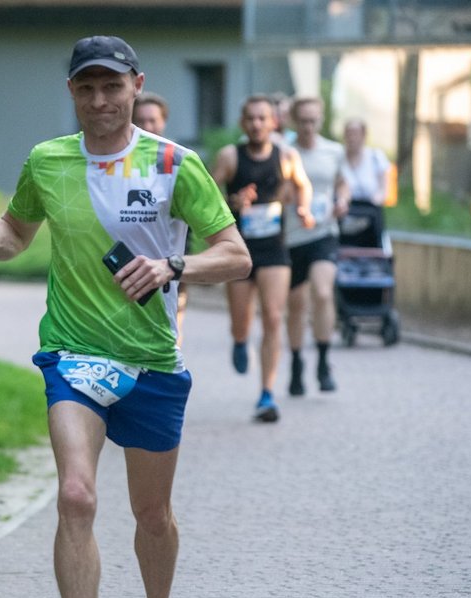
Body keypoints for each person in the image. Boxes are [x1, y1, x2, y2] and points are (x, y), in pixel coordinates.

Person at [0, 36, 250, 598]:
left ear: (136, 87)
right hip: (74, 354)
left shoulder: (176, 164)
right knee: (77, 496)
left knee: (153, 516)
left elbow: (235, 256)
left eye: (112, 87)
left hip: (151, 363)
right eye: (86, 88)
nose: (100, 101)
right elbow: (17, 231)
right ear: (72, 94)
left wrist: (175, 267)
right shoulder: (48, 161)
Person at [211, 94, 313, 422]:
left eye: (262, 118)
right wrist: (232, 203)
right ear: (243, 123)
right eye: (251, 118)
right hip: (238, 249)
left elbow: (303, 185)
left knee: (272, 316)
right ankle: (239, 340)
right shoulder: (230, 156)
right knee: (242, 321)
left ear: (273, 123)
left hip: (274, 248)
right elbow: (206, 199)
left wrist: (303, 207)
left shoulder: (286, 156)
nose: (256, 124)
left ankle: (267, 394)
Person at [285, 96, 350, 396]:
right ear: (295, 121)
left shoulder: (333, 150)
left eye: (313, 120)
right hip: (290, 236)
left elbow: (342, 182)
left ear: (320, 120)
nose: (309, 127)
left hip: (324, 232)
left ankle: (324, 362)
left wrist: (343, 200)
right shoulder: (285, 152)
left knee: (323, 293)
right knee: (297, 305)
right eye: (303, 121)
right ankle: (297, 363)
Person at [132, 91, 189, 342]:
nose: (147, 126)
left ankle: (172, 347)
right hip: (136, 249)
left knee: (174, 306)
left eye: (152, 120)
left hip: (173, 248)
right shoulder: (122, 160)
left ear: (163, 121)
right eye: (141, 121)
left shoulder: (178, 159)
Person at [340, 117, 391, 248]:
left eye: (356, 133)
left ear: (364, 135)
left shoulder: (376, 157)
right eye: (349, 133)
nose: (352, 138)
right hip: (344, 216)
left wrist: (376, 199)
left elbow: (384, 188)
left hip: (370, 216)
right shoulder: (338, 157)